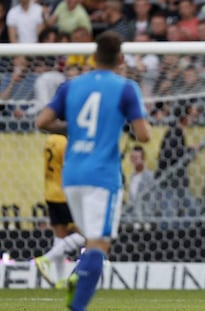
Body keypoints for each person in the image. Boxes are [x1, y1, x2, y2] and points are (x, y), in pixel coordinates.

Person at [35, 30, 151, 311]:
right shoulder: (125, 87)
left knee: (89, 237)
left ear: (93, 56)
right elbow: (144, 135)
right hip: (103, 175)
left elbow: (43, 121)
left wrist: (73, 130)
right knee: (99, 245)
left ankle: (73, 272)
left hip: (72, 175)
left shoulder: (70, 86)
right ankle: (78, 296)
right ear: (121, 58)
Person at [34, 134, 86, 289]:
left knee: (60, 237)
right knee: (87, 234)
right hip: (64, 194)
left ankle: (61, 280)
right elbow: (70, 168)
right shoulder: (65, 143)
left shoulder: (50, 141)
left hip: (50, 192)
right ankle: (46, 259)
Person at [122, 145, 156, 222]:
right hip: (132, 217)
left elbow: (152, 199)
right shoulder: (132, 177)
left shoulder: (150, 176)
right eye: (132, 158)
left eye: (136, 158)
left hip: (146, 217)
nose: (134, 160)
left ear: (143, 158)